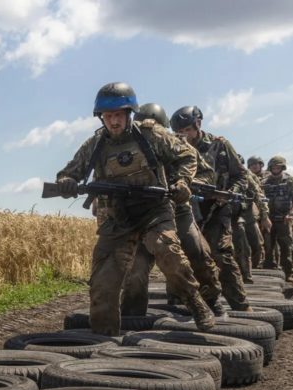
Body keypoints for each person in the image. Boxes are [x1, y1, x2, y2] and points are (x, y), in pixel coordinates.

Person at [55, 83, 215, 335]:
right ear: (101, 117)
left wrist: (182, 182)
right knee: (102, 285)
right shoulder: (95, 144)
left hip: (154, 211)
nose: (114, 121)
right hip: (117, 218)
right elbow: (70, 171)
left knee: (169, 253)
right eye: (108, 116)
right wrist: (66, 182)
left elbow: (187, 155)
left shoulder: (151, 134)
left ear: (129, 113)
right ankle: (101, 341)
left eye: (118, 115)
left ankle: (195, 302)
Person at [121, 102, 223, 316]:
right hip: (146, 216)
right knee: (135, 268)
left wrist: (184, 183)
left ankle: (212, 301)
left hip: (179, 211)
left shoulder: (174, 143)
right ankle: (132, 315)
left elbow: (207, 173)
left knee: (198, 254)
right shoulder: (128, 147)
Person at [170, 106, 252, 311]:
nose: (184, 136)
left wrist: (229, 194)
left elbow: (241, 176)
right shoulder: (173, 148)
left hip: (217, 207)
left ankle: (240, 305)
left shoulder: (220, 145)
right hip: (188, 207)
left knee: (220, 253)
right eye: (179, 132)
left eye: (187, 130)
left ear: (198, 125)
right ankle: (182, 302)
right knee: (185, 254)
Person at [262, 155, 293, 280]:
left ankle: (288, 272)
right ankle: (268, 271)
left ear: (282, 167)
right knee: (268, 246)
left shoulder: (289, 181)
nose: (275, 168)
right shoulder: (264, 182)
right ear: (270, 167)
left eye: (278, 166)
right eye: (273, 166)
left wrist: (291, 213)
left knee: (286, 246)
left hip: (284, 219)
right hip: (268, 219)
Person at [244, 156, 270, 270]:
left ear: (261, 164)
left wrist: (265, 215)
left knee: (263, 241)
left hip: (262, 210)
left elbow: (259, 195)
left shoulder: (269, 177)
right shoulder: (244, 175)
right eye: (252, 164)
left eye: (256, 163)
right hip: (249, 212)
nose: (254, 166)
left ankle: (264, 265)